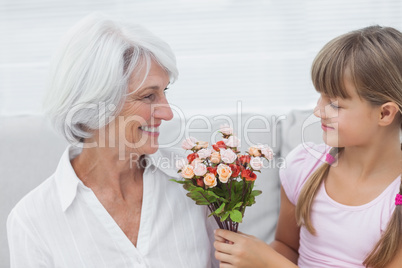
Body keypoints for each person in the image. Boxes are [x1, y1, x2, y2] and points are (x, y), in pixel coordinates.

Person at [7, 13, 218, 267]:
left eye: (164, 92)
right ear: (96, 105)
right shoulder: (32, 222)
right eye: (149, 96)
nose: (168, 113)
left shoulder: (195, 181)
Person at [214, 25, 402, 267]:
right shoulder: (303, 167)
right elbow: (287, 246)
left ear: (385, 113)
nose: (318, 111)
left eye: (335, 104)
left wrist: (270, 262)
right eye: (320, 96)